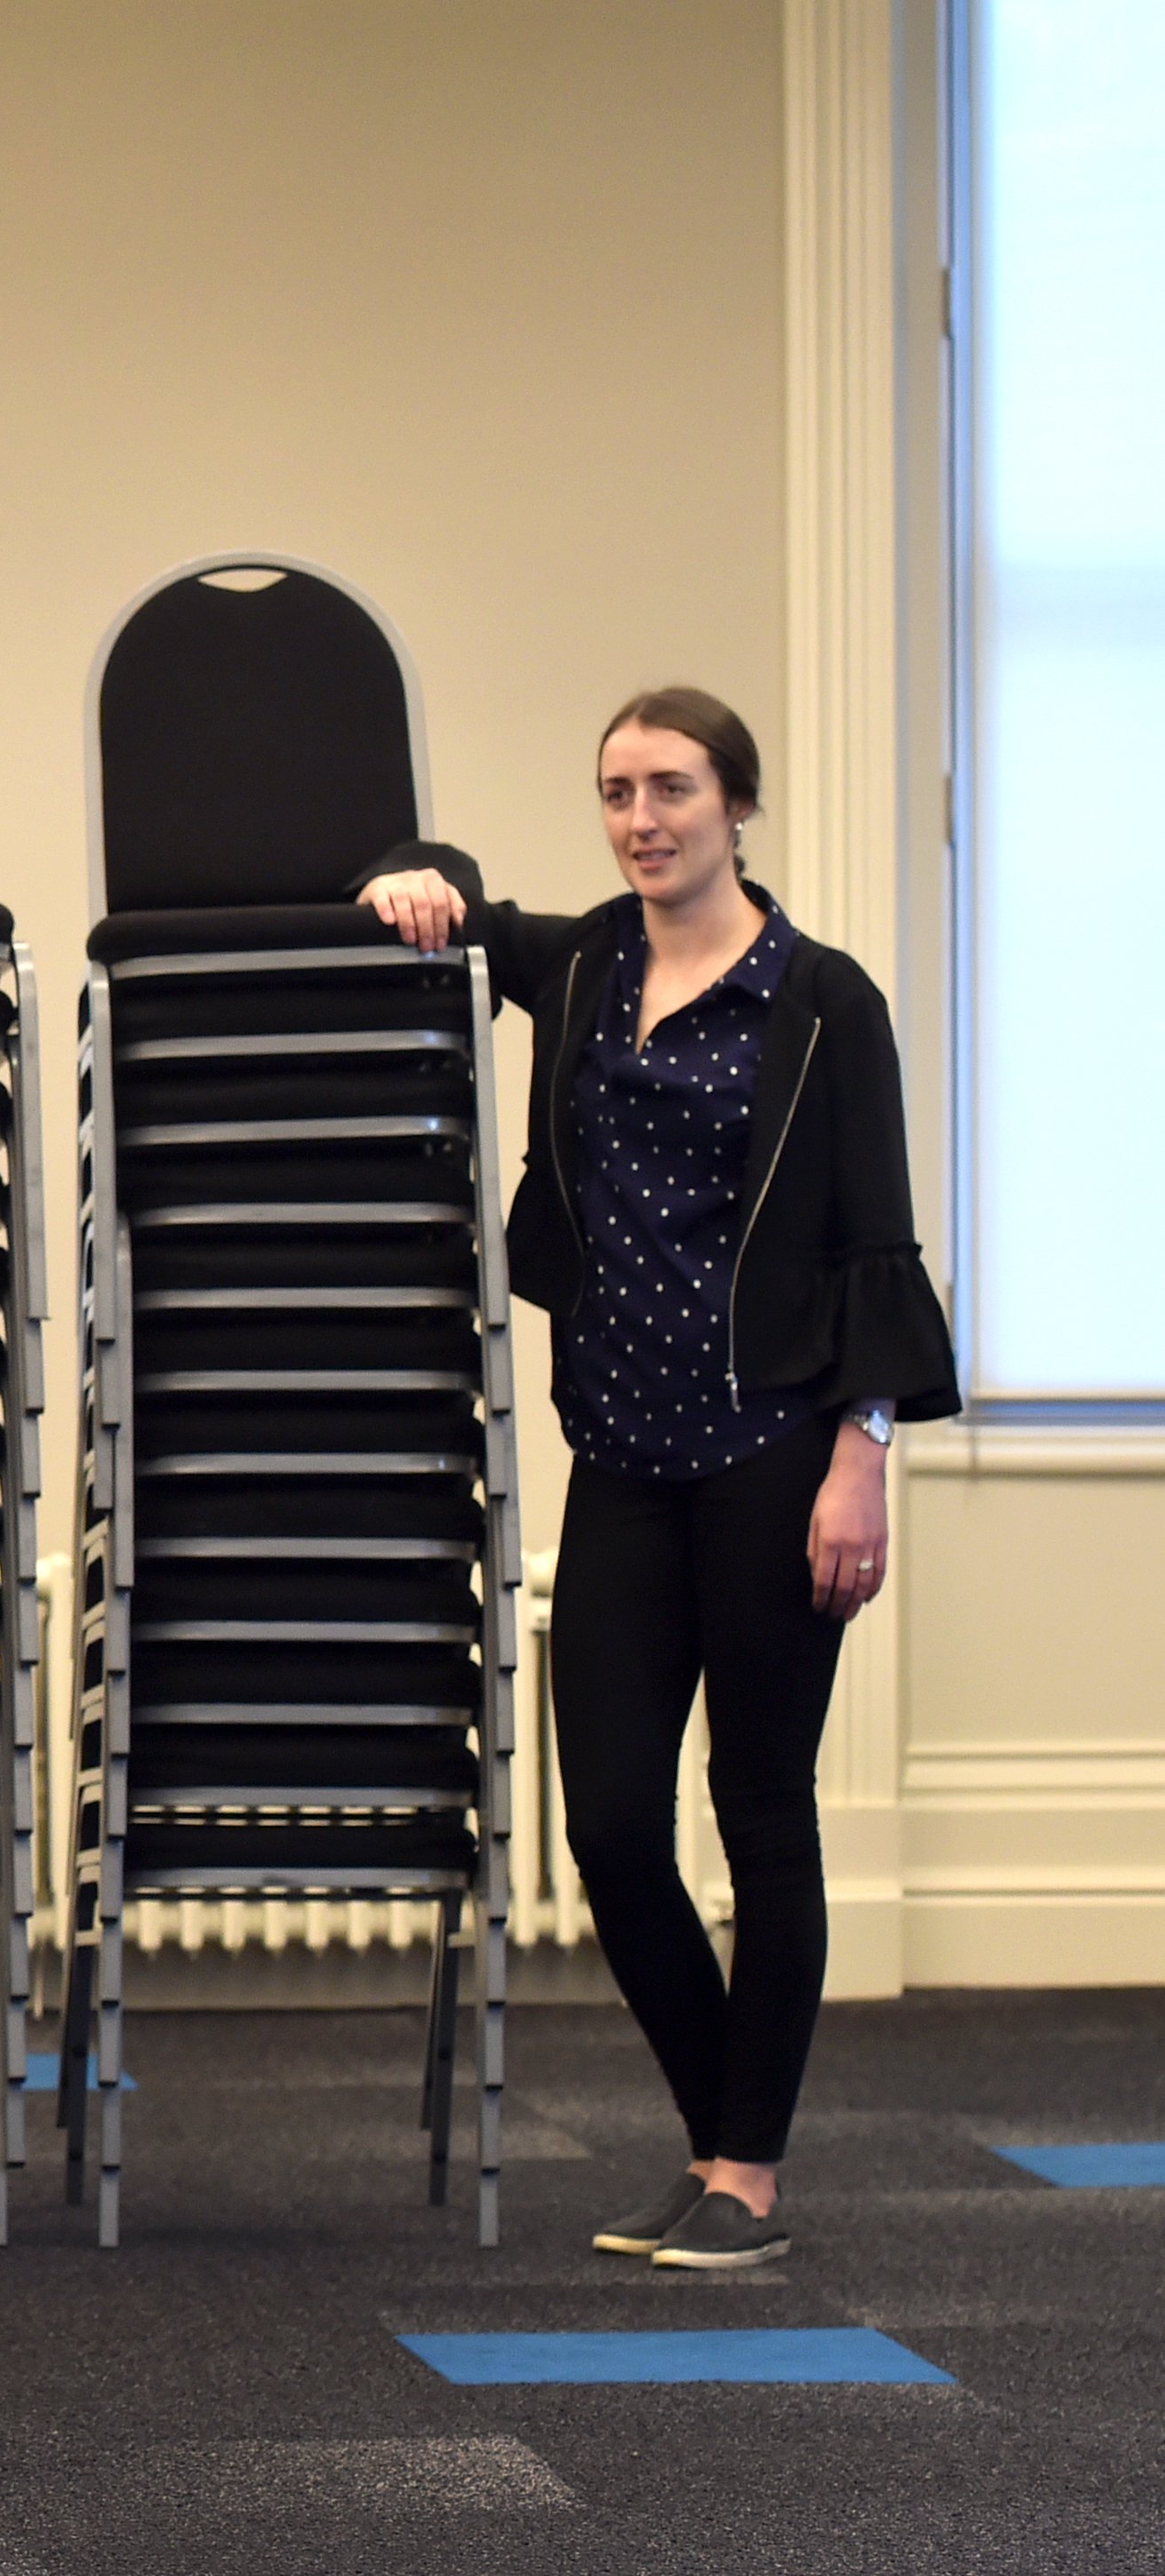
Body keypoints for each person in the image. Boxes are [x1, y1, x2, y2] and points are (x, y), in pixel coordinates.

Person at [356, 686, 955, 2271]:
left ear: (735, 806)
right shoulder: (585, 966)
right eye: (619, 791)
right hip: (620, 1455)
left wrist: (863, 1460)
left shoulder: (824, 1003)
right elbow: (436, 886)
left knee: (760, 1811)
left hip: (777, 1461)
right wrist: (414, 874)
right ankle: (719, 2139)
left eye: (674, 788)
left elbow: (876, 1243)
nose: (643, 818)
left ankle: (745, 2177)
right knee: (614, 1828)